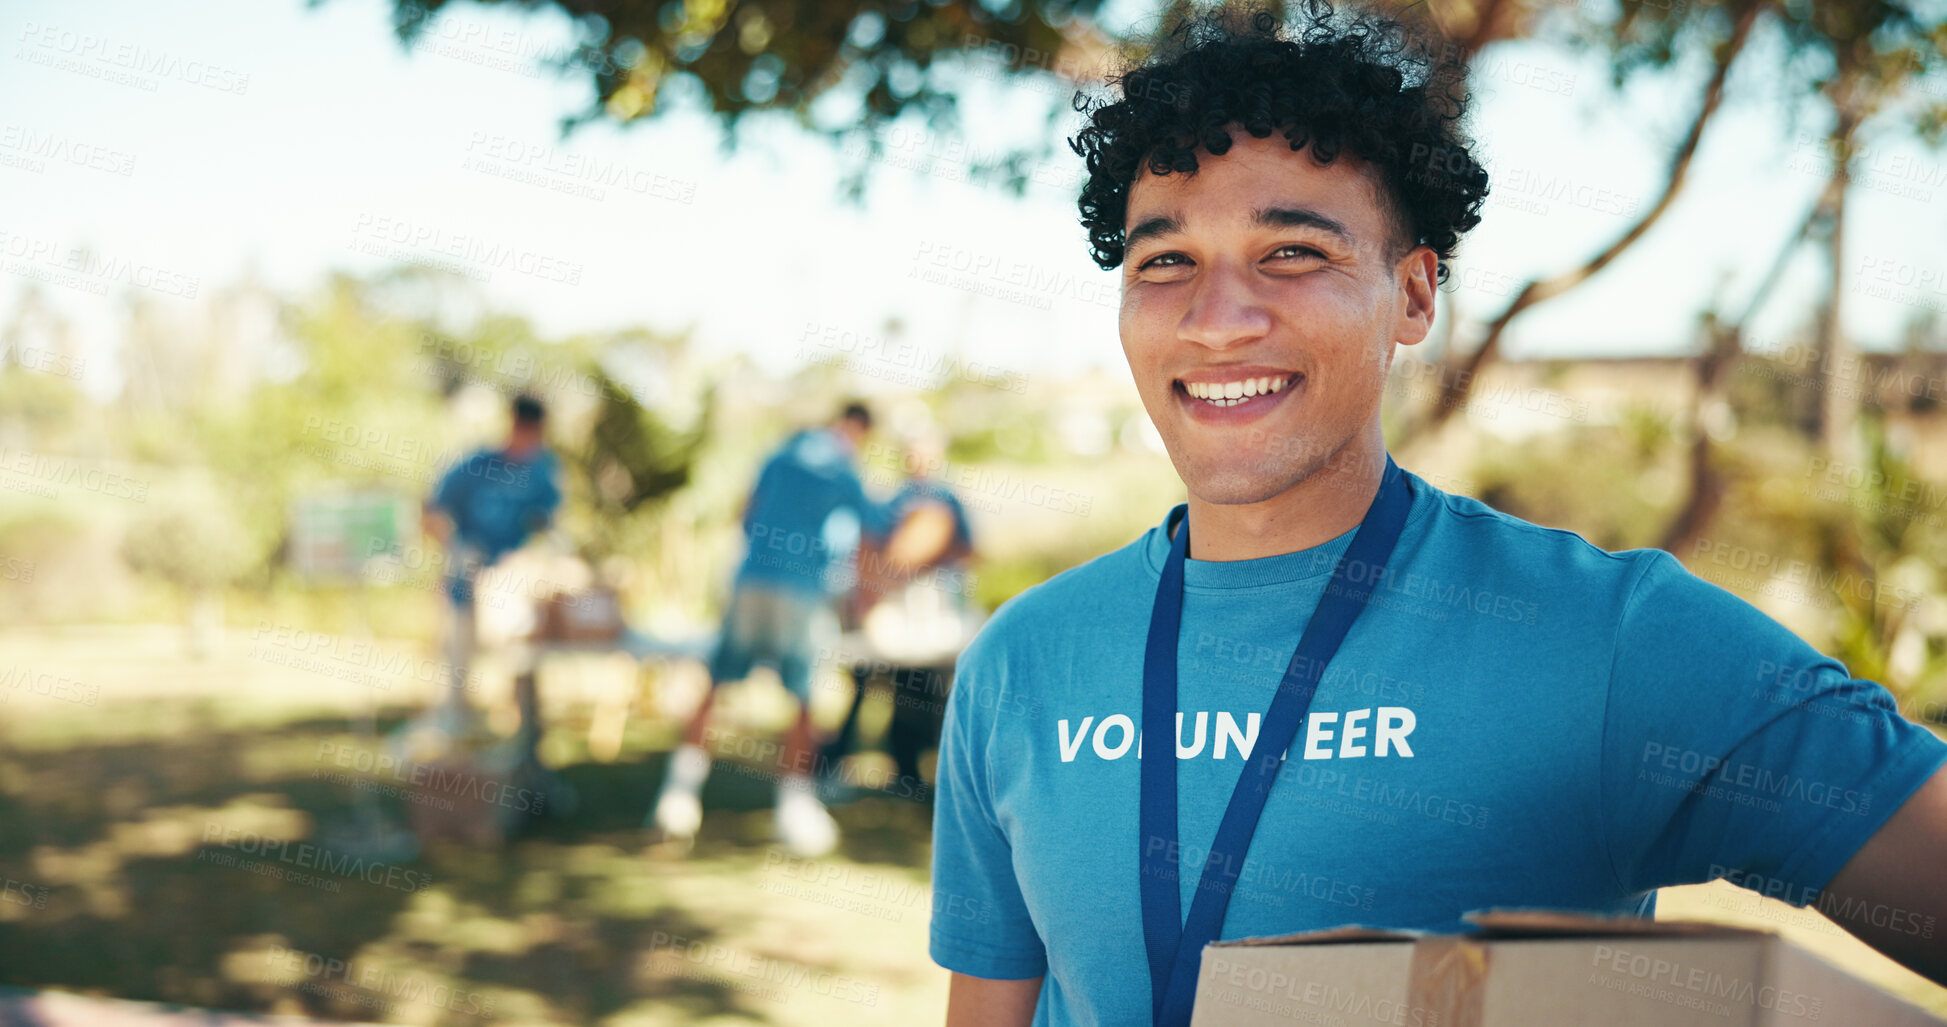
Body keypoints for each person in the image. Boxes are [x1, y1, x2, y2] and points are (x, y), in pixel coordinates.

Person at [928, 7, 1947, 1026]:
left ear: (1414, 296)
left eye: (1289, 251)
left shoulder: (1608, 640)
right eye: (1165, 262)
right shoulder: (1024, 661)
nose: (1218, 316)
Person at [651, 402, 889, 857]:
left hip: (751, 580)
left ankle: (677, 798)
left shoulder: (780, 454)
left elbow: (746, 512)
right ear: (860, 430)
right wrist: (864, 597)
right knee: (803, 697)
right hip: (802, 591)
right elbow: (870, 538)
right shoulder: (846, 467)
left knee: (716, 683)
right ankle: (795, 810)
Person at [823, 430, 978, 792]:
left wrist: (929, 555)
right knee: (888, 680)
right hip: (897, 611)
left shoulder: (948, 499)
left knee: (929, 689)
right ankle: (895, 768)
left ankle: (922, 775)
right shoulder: (893, 500)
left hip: (935, 609)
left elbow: (967, 548)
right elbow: (874, 552)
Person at [421, 392, 564, 727]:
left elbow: (548, 523)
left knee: (522, 652)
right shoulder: (476, 466)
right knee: (459, 662)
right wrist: (455, 547)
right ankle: (455, 730)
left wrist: (536, 556)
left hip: (514, 585)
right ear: (514, 424)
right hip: (467, 581)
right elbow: (430, 513)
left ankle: (522, 726)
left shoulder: (541, 471)